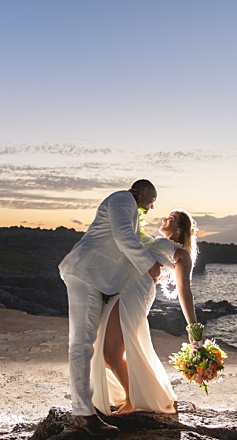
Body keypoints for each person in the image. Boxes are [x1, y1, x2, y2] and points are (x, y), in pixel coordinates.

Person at [58, 179, 161, 437]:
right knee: (81, 343)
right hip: (86, 273)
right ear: (145, 191)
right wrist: (149, 264)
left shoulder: (125, 206)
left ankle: (89, 407)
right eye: (152, 201)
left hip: (97, 279)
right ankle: (83, 416)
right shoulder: (122, 199)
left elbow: (127, 239)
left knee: (90, 344)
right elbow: (123, 236)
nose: (151, 208)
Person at [90, 209, 198, 415]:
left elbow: (185, 291)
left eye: (172, 219)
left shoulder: (180, 252)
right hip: (118, 291)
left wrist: (194, 330)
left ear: (180, 228)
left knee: (111, 351)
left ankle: (133, 400)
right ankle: (138, 393)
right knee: (102, 352)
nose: (166, 218)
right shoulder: (151, 241)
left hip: (134, 295)